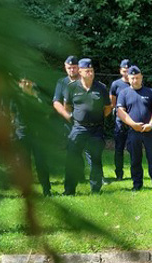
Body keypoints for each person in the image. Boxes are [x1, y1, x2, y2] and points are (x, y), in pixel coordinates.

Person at [62, 58, 111, 195]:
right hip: (79, 128)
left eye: (92, 71)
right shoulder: (71, 87)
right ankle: (69, 190)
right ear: (80, 72)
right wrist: (76, 117)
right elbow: (67, 107)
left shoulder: (101, 87)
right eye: (87, 71)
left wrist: (98, 118)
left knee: (95, 160)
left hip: (96, 129)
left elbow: (108, 107)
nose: (90, 73)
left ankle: (96, 190)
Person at [116, 65, 152, 190]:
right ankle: (137, 184)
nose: (134, 80)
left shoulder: (149, 92)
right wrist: (133, 124)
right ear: (128, 78)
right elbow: (120, 112)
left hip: (149, 131)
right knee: (135, 159)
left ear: (141, 77)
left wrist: (151, 125)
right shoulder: (124, 93)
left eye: (137, 78)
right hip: (133, 131)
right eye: (132, 78)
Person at [9, 77, 52, 196]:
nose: (26, 84)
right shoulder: (15, 98)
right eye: (24, 81)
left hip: (38, 135)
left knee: (41, 163)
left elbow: (46, 113)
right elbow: (12, 115)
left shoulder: (38, 96)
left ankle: (46, 190)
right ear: (19, 83)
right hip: (22, 134)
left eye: (28, 81)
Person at [109, 59, 132, 180]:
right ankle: (119, 174)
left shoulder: (135, 83)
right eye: (124, 70)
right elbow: (112, 102)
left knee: (134, 148)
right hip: (120, 121)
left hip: (133, 120)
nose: (127, 73)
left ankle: (135, 173)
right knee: (119, 149)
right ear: (120, 71)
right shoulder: (116, 84)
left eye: (128, 70)